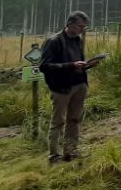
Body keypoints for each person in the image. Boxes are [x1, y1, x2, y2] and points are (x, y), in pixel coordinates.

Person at [40, 11, 94, 164]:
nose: (82, 29)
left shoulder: (78, 40)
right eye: (80, 26)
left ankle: (71, 151)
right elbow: (44, 66)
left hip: (79, 85)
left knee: (74, 119)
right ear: (69, 24)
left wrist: (87, 65)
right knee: (58, 122)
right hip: (61, 88)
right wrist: (71, 66)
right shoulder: (53, 41)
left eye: (84, 26)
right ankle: (54, 156)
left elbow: (78, 63)